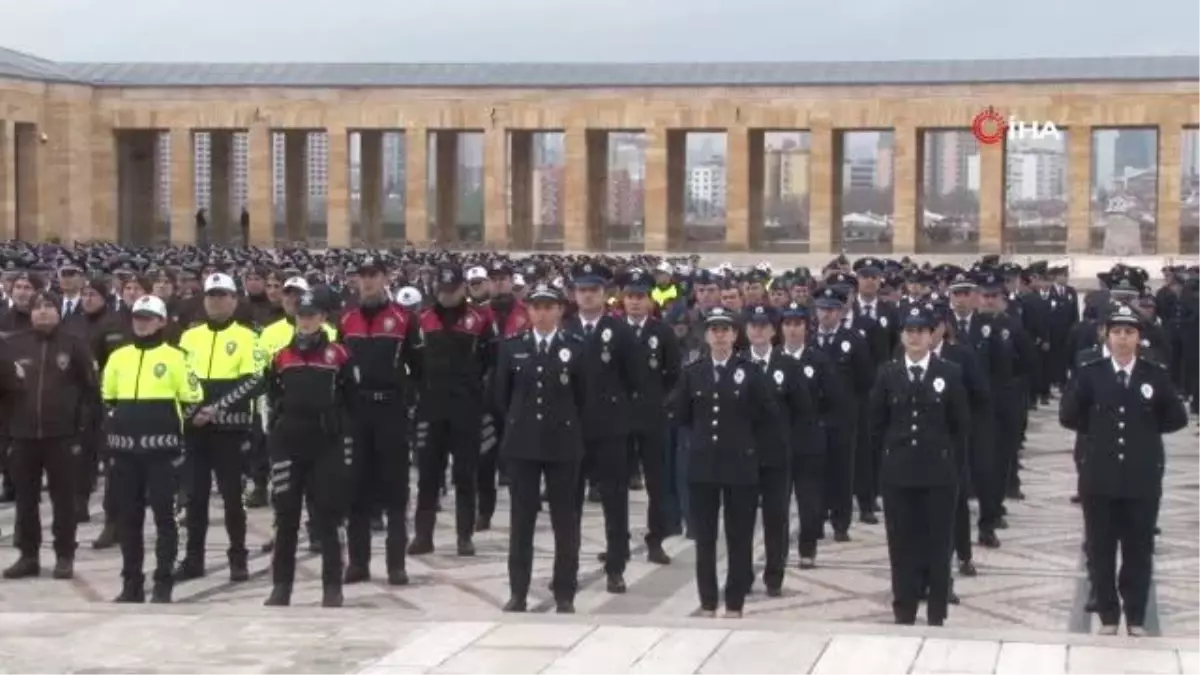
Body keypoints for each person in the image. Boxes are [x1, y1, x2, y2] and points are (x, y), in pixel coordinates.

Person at [1059, 303, 1188, 636]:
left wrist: (1142, 430)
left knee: (1138, 548)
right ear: (1106, 335)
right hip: (1099, 474)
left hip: (1141, 475)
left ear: (1139, 337)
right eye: (1117, 332)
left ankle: (1134, 616)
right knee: (1100, 549)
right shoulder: (1090, 371)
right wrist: (1098, 431)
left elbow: (1176, 417)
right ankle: (1107, 614)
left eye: (1129, 332)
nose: (1122, 339)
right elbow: (1069, 415)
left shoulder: (1154, 373)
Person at [675, 307, 784, 618]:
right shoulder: (693, 372)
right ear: (706, 335)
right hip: (703, 466)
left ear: (735, 335)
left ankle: (735, 600)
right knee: (705, 538)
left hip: (739, 466)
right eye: (714, 329)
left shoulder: (749, 371)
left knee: (739, 537)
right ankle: (708, 600)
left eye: (725, 329)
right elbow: (680, 415)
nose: (720, 334)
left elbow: (768, 417)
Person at [868, 304, 971, 626]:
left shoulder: (949, 373)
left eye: (921, 331)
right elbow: (875, 424)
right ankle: (905, 610)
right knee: (901, 546)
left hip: (938, 475)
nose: (915, 337)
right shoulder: (888, 374)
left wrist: (947, 461)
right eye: (909, 331)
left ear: (932, 335)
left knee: (938, 546)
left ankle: (937, 611)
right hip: (898, 474)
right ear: (902, 336)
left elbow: (960, 425)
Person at [102, 295, 205, 603]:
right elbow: (108, 397)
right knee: (128, 520)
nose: (142, 322)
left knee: (164, 519)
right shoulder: (119, 357)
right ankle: (131, 582)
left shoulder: (176, 357)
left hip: (162, 454)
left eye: (148, 317)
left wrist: (171, 429)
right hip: (124, 454)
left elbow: (193, 398)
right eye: (137, 317)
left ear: (161, 321)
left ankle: (163, 581)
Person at [494, 282, 586, 613]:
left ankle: (565, 592)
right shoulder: (512, 347)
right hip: (523, 445)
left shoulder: (576, 347)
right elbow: (501, 397)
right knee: (521, 523)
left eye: (549, 307)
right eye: (536, 307)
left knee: (566, 522)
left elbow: (584, 399)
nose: (542, 313)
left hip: (563, 445)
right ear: (528, 310)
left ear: (560, 310)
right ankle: (518, 591)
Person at [262, 291, 356, 607]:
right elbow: (271, 397)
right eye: (301, 315)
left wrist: (342, 434)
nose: (306, 320)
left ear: (322, 319)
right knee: (286, 517)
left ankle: (332, 587)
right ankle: (281, 586)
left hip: (325, 445)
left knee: (327, 517)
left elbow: (351, 401)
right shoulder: (280, 357)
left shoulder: (339, 356)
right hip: (289, 444)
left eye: (312, 315)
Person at [0, 291, 99, 580]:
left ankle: (64, 555)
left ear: (58, 312)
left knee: (63, 500)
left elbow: (90, 393)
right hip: (22, 436)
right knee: (26, 500)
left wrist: (81, 433)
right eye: (37, 307)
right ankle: (28, 554)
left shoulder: (74, 345)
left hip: (63, 437)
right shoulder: (13, 345)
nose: (43, 312)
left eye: (49, 307)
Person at [174, 273, 265, 584]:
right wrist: (194, 412)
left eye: (222, 295)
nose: (216, 300)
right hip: (197, 430)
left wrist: (218, 407)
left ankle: (238, 559)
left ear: (234, 300)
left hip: (231, 431)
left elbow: (254, 379)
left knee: (232, 499)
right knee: (195, 498)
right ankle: (193, 559)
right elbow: (181, 379)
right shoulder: (189, 337)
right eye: (211, 295)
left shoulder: (248, 337)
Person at [340, 256, 422, 586]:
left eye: (374, 275)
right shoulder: (346, 319)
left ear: (386, 278)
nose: (368, 282)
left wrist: (408, 400)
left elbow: (419, 368)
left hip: (390, 412)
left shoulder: (403, 319)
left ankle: (395, 565)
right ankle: (358, 562)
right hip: (358, 413)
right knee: (356, 490)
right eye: (363, 276)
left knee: (395, 491)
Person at [564, 261, 645, 593]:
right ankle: (566, 568)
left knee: (614, 500)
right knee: (568, 504)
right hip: (570, 429)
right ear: (574, 294)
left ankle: (616, 565)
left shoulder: (620, 330)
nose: (587, 296)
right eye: (582, 290)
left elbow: (635, 378)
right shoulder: (564, 328)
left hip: (610, 429)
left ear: (604, 293)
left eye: (594, 290)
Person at [409, 264, 492, 557]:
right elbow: (414, 362)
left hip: (466, 407)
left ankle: (464, 535)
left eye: (453, 290)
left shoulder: (479, 320)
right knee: (428, 473)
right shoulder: (422, 319)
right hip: (432, 406)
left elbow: (491, 362)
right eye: (442, 290)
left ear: (463, 288)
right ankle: (423, 535)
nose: (447, 296)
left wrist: (481, 399)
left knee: (464, 474)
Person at [741, 304, 814, 596]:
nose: (758, 331)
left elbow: (802, 411)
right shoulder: (738, 364)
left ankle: (774, 575)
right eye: (753, 326)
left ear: (773, 330)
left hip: (776, 455)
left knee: (776, 517)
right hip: (743, 455)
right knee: (741, 518)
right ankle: (742, 574)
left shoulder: (788, 366)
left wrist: (787, 443)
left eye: (763, 325)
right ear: (745, 331)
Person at [778, 301, 849, 569]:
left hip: (809, 443)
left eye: (798, 324)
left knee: (810, 505)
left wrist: (820, 425)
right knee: (777, 506)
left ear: (807, 328)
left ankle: (807, 548)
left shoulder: (818, 359)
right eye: (788, 324)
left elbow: (835, 399)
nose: (793, 330)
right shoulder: (774, 359)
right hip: (779, 444)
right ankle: (779, 553)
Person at [620, 268, 680, 565]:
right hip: (618, 419)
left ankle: (655, 539)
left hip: (652, 418)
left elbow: (673, 375)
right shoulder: (613, 329)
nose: (634, 302)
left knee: (657, 484)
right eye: (629, 296)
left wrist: (660, 404)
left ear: (649, 300)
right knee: (616, 482)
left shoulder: (662, 332)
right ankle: (616, 540)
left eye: (639, 297)